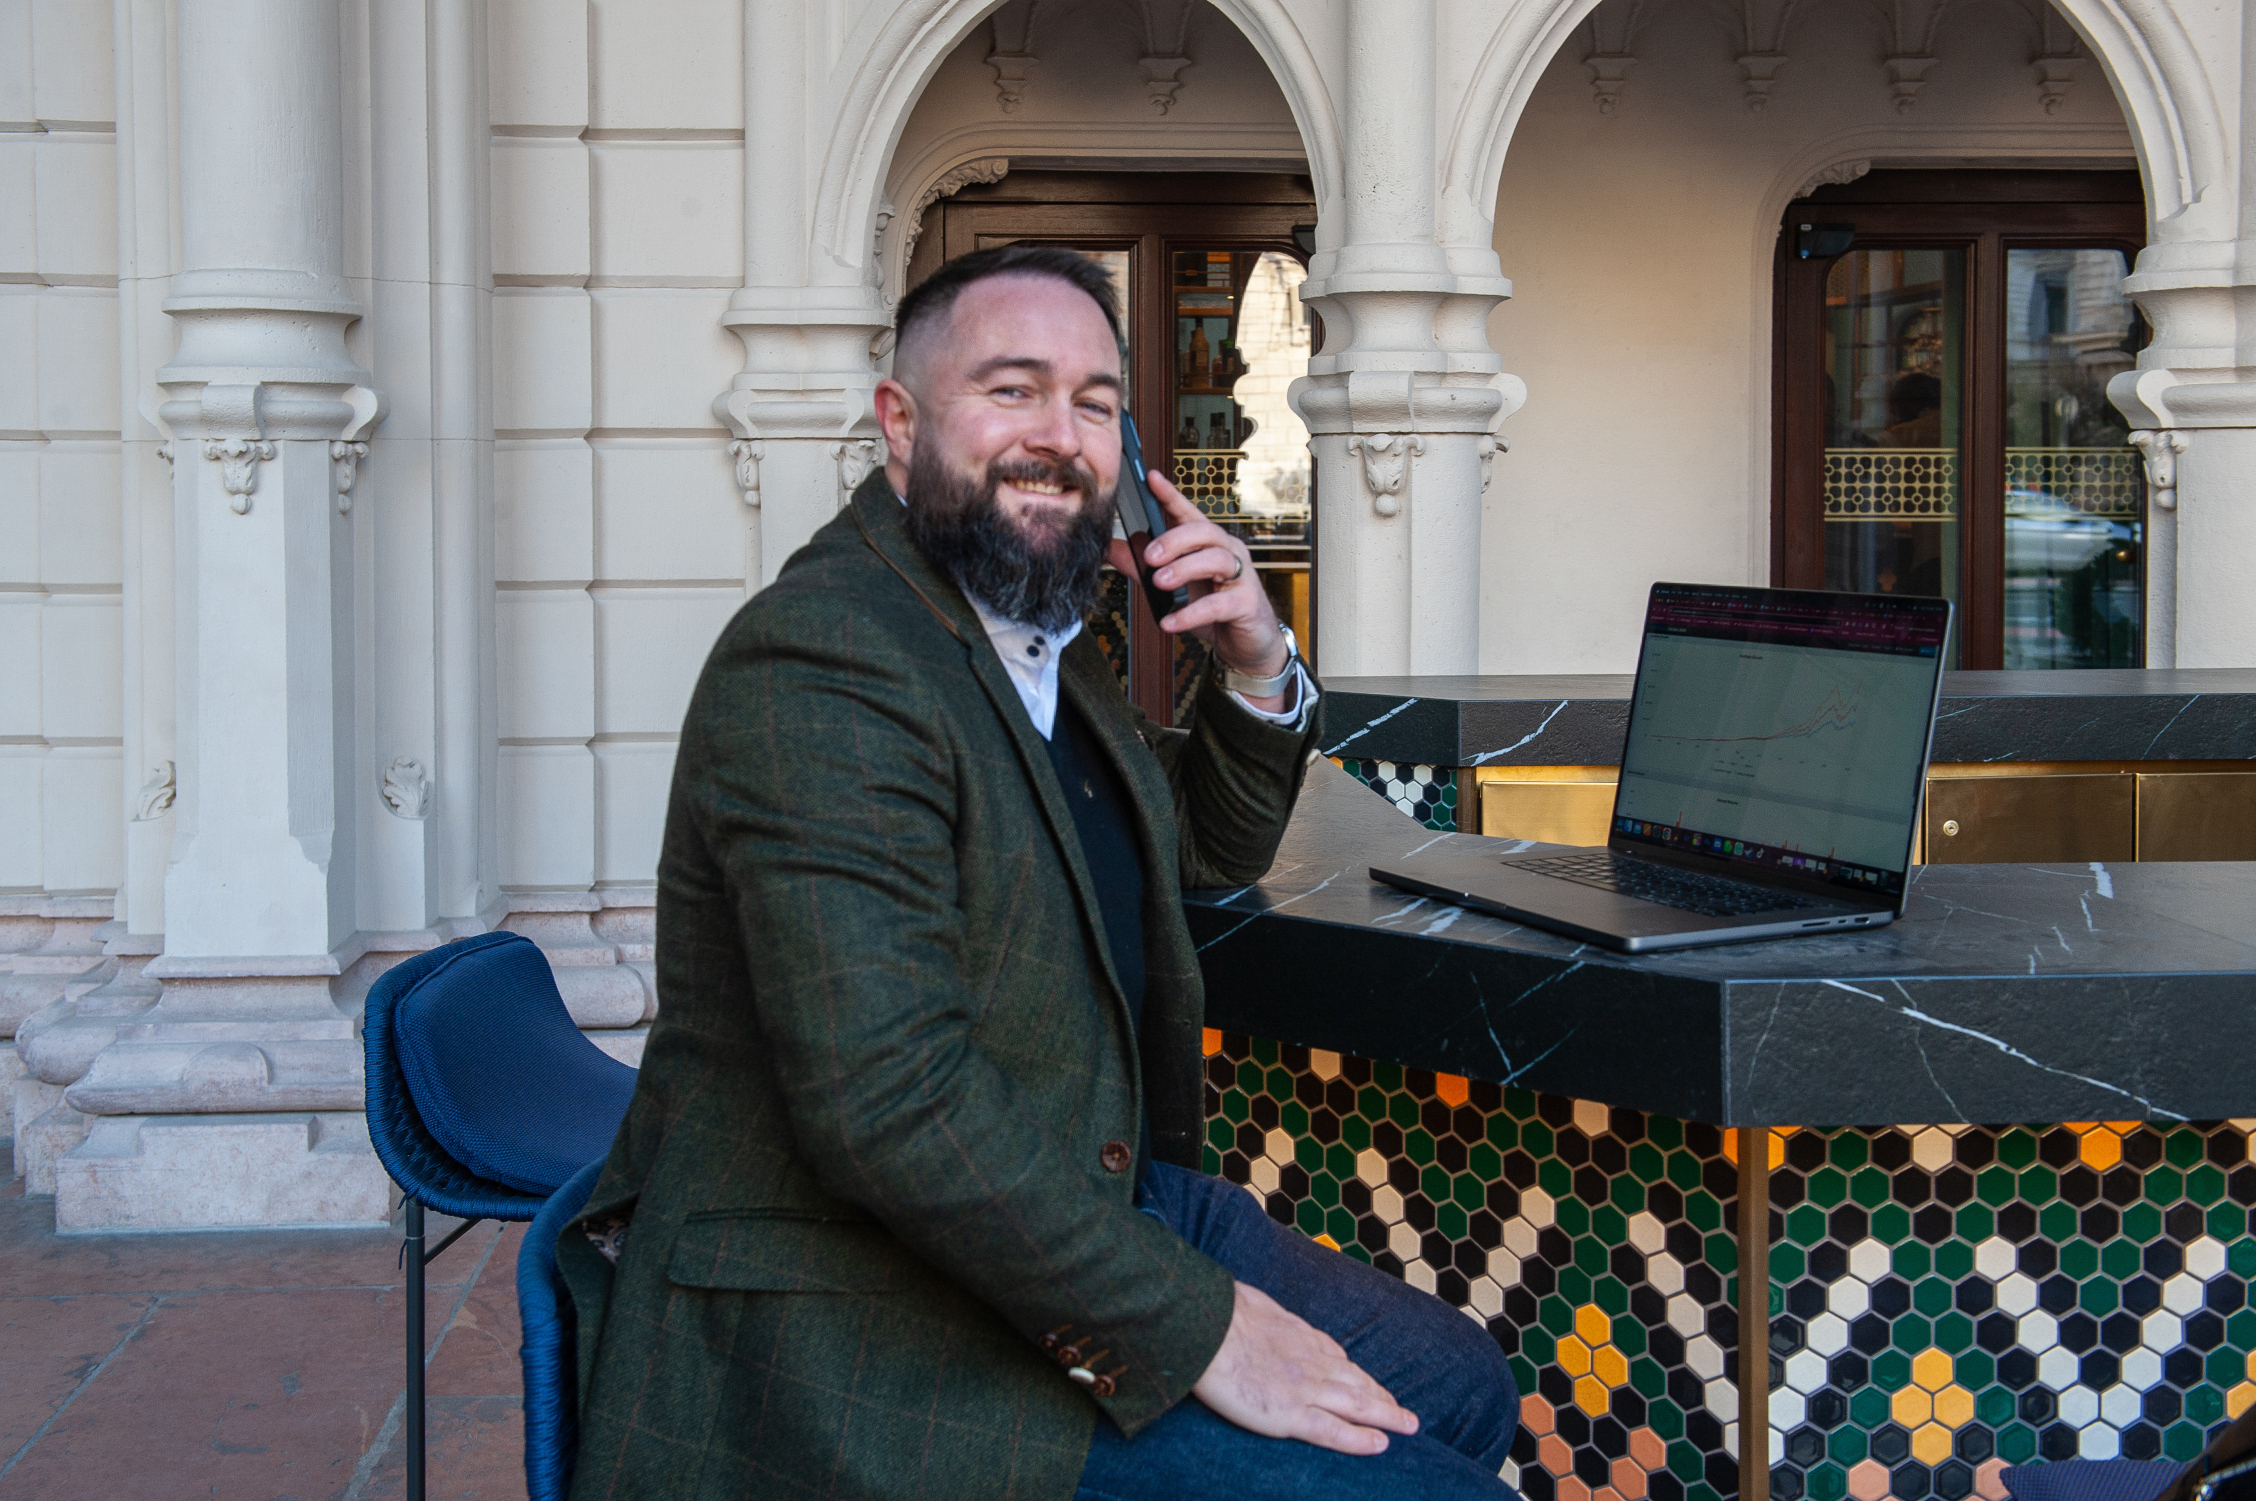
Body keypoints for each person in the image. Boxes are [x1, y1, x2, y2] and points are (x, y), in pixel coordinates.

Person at [558, 245, 1521, 1501]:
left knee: (1458, 1385)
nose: (1061, 436)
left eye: (1097, 402)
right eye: (1012, 390)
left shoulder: (1035, 636)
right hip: (852, 1301)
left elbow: (1200, 846)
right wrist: (1203, 1329)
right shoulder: (824, 659)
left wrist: (1256, 657)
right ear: (899, 425)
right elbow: (889, 1099)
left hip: (1069, 1189)